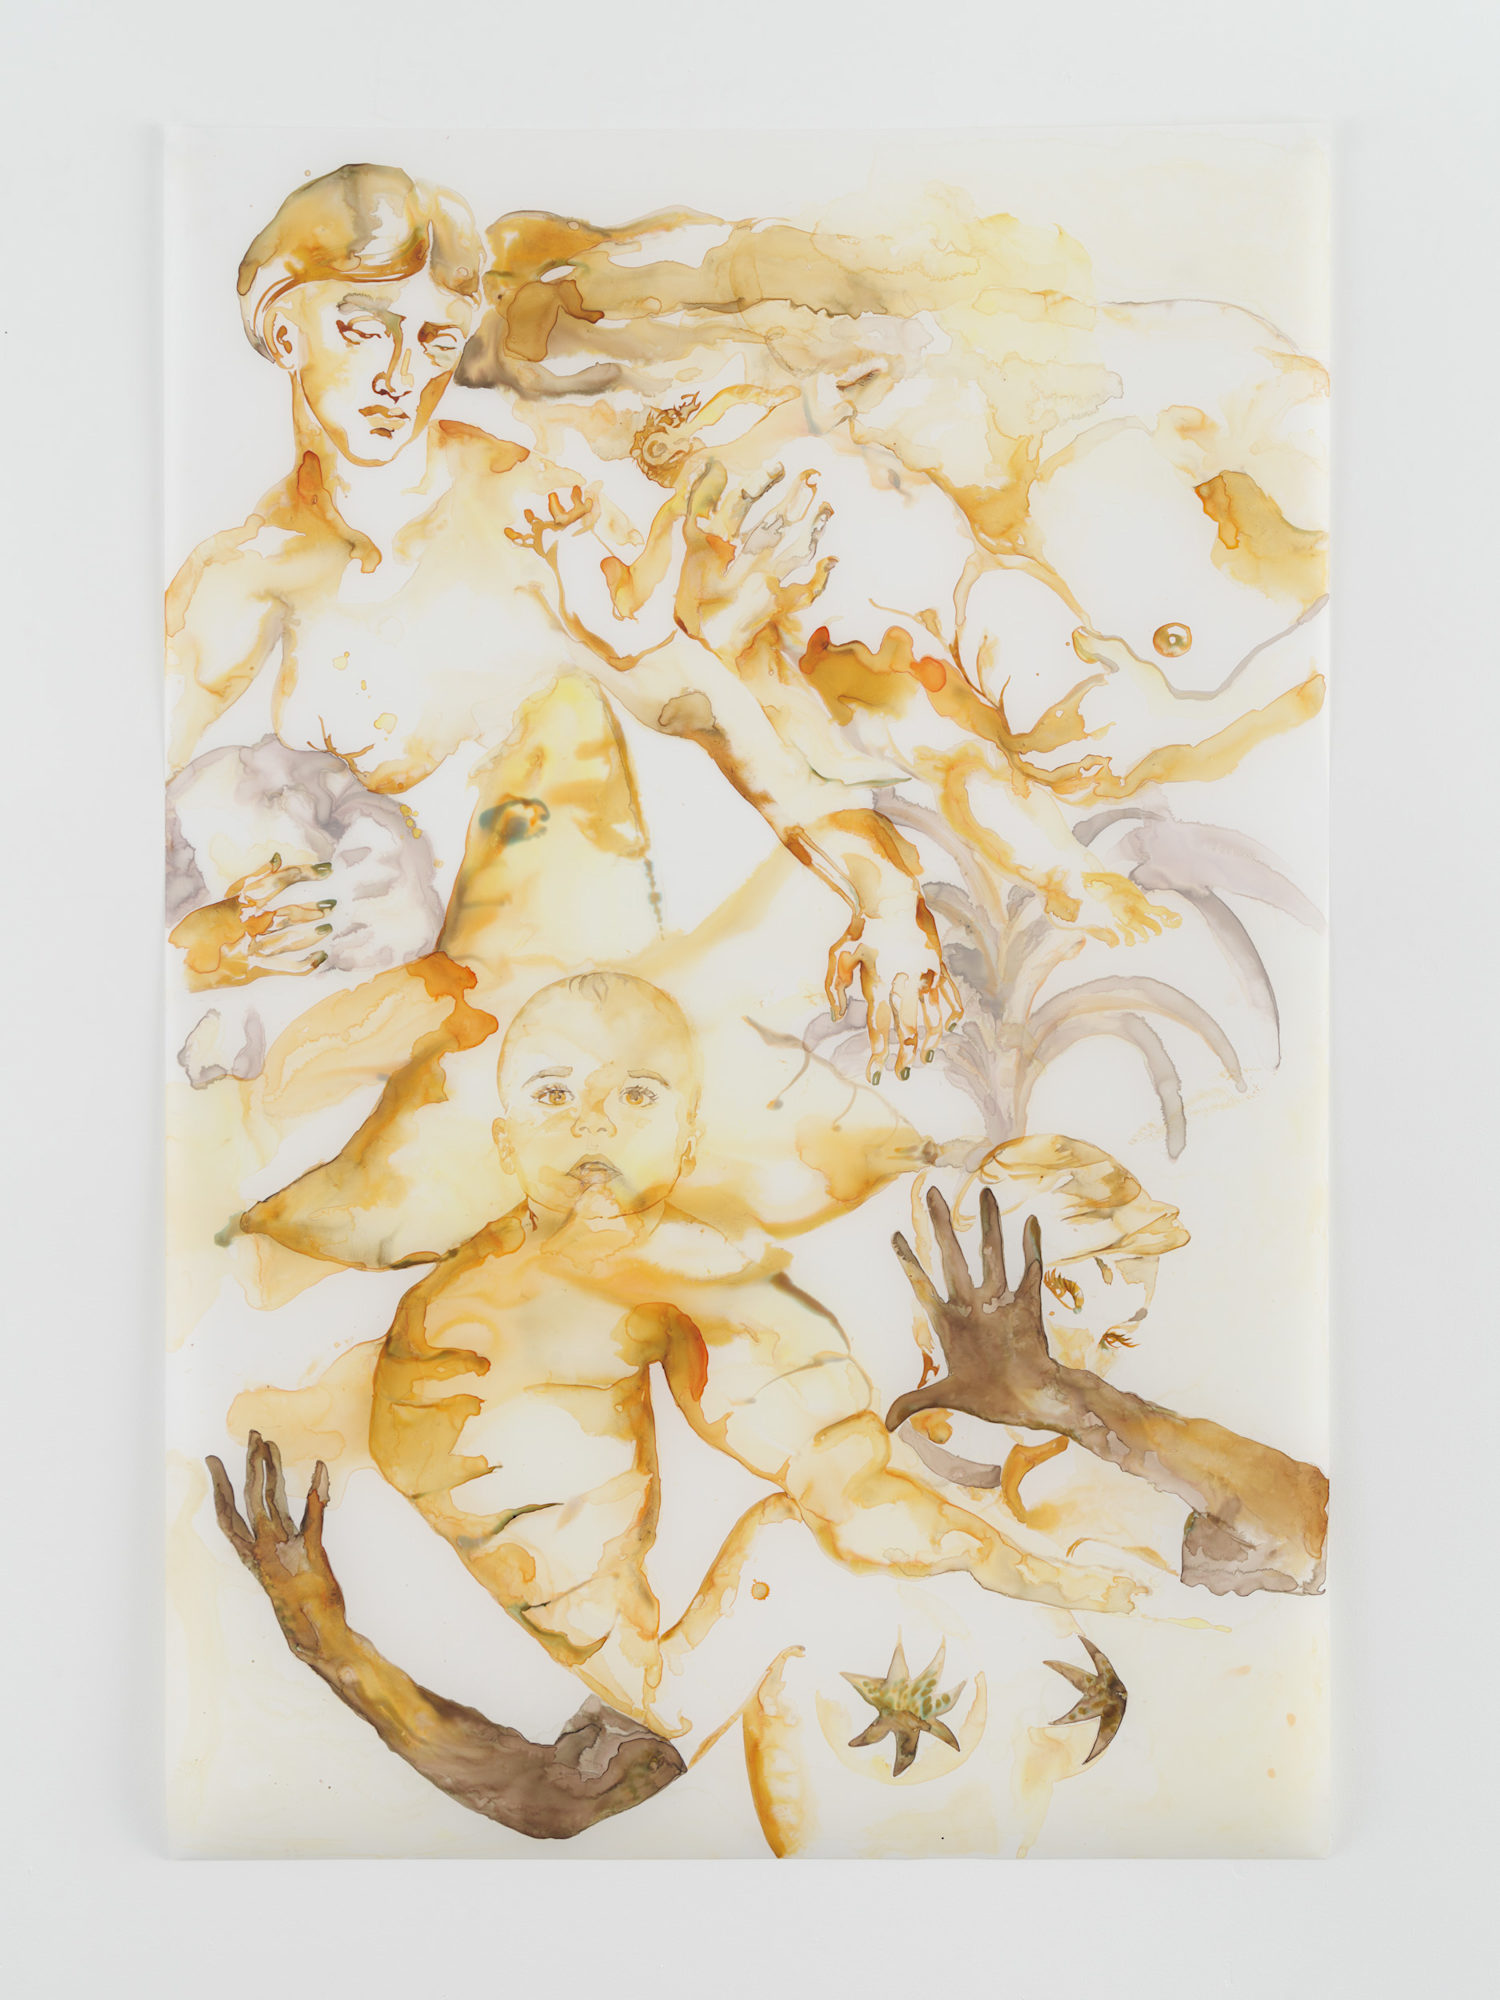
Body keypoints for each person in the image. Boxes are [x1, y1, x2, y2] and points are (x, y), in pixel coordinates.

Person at [209, 971, 1139, 1837]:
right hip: (539, 1628)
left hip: (644, 1662)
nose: (592, 1123)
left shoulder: (695, 1272)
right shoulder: (468, 1272)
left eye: (637, 1095)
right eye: (553, 1094)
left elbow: (840, 1477)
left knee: (798, 1537)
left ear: (688, 1142)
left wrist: (1035, 1574)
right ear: (506, 1141)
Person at [166, 164, 958, 1107]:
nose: (399, 376)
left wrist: (888, 901)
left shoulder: (530, 517)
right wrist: (212, 939)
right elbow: (93, 814)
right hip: (352, 1017)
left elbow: (720, 720)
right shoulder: (238, 574)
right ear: (283, 325)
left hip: (550, 1022)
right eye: (363, 326)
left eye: (435, 339)